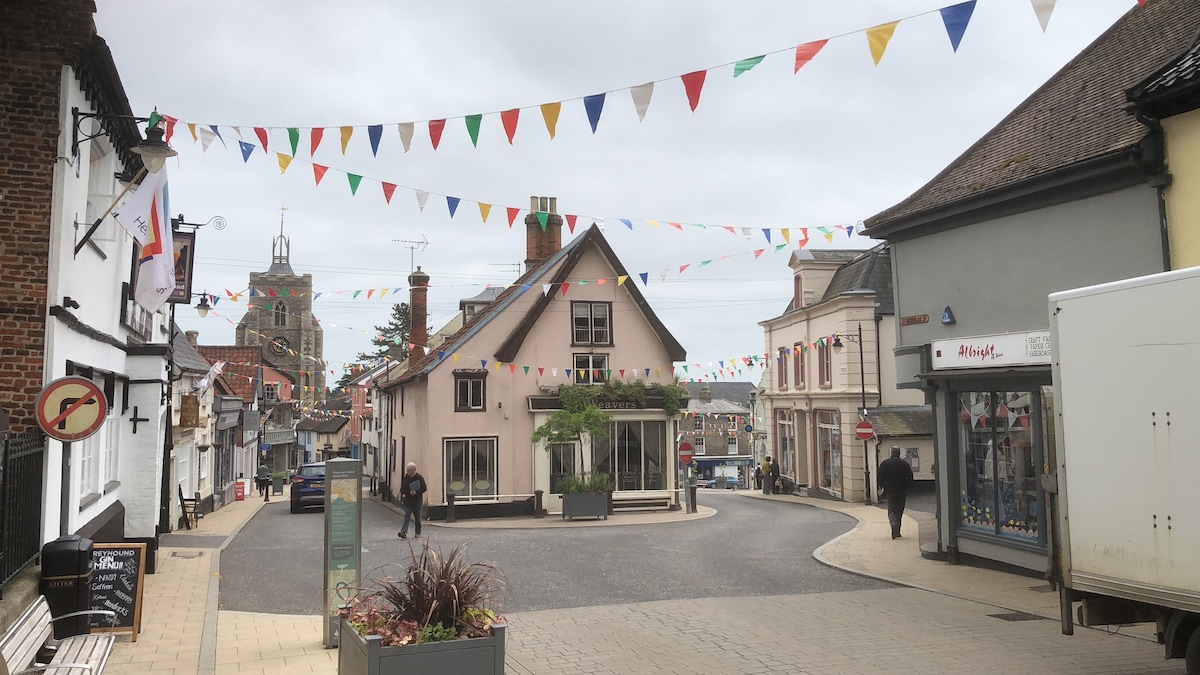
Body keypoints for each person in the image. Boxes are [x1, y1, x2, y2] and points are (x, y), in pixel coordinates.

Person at [878, 446, 915, 539]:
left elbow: (880, 476)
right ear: (899, 453)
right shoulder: (904, 464)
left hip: (890, 491)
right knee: (899, 510)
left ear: (891, 453)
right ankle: (897, 531)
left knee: (891, 509)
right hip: (901, 491)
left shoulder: (885, 463)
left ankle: (893, 523)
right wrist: (906, 486)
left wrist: (882, 486)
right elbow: (910, 477)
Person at [397, 462, 427, 540]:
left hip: (417, 500)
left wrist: (416, 492)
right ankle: (403, 531)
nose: (407, 472)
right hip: (407, 500)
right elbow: (403, 487)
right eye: (407, 470)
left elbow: (424, 488)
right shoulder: (406, 477)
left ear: (413, 470)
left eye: (409, 470)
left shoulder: (419, 478)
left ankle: (418, 533)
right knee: (407, 515)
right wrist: (403, 493)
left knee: (417, 517)